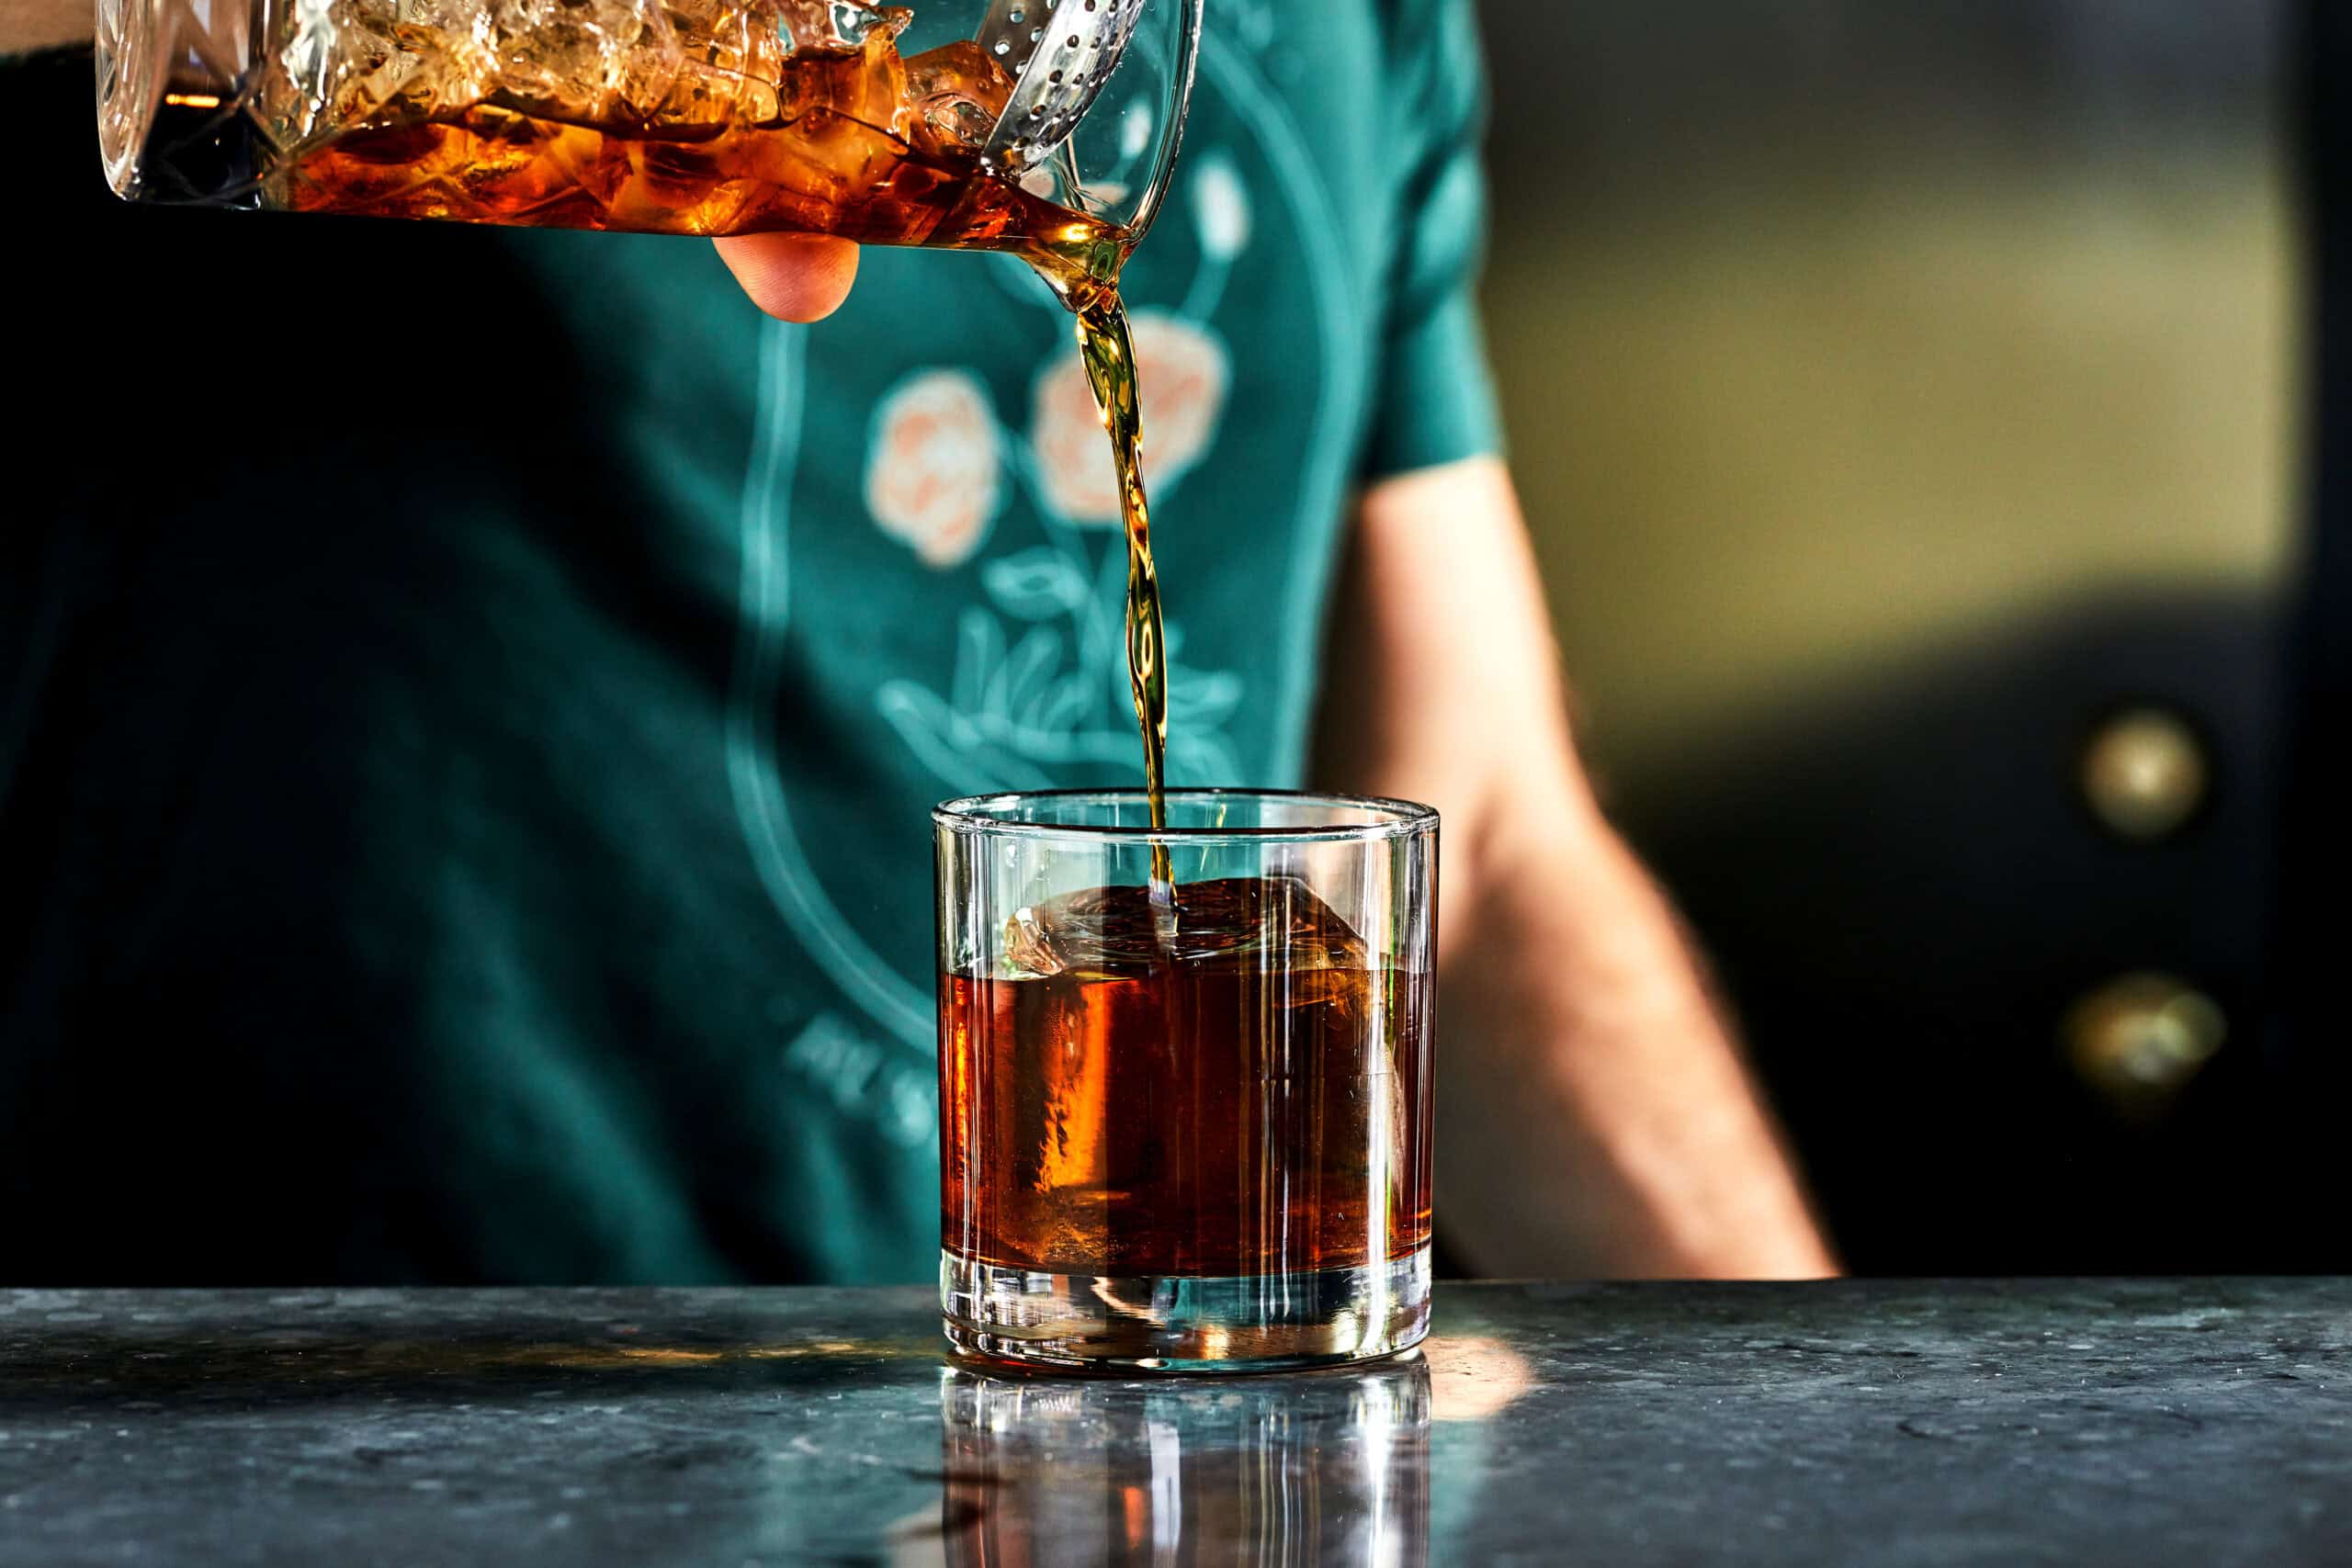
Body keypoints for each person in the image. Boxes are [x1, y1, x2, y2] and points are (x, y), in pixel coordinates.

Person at [1, 0, 1835, 1283]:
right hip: (308, 1412)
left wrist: (1834, 1451)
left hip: (1062, 1460)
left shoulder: (1366, 22)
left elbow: (1479, 846)